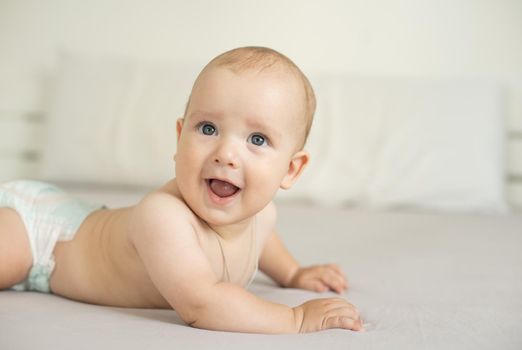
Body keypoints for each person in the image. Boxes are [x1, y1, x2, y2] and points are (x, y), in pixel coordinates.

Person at [0, 46, 363, 333]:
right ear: (180, 136)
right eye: (208, 129)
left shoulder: (262, 213)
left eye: (257, 139)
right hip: (41, 235)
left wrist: (293, 274)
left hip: (81, 223)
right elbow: (201, 304)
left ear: (291, 168)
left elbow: (262, 238)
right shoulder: (163, 216)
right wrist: (295, 320)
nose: (226, 155)